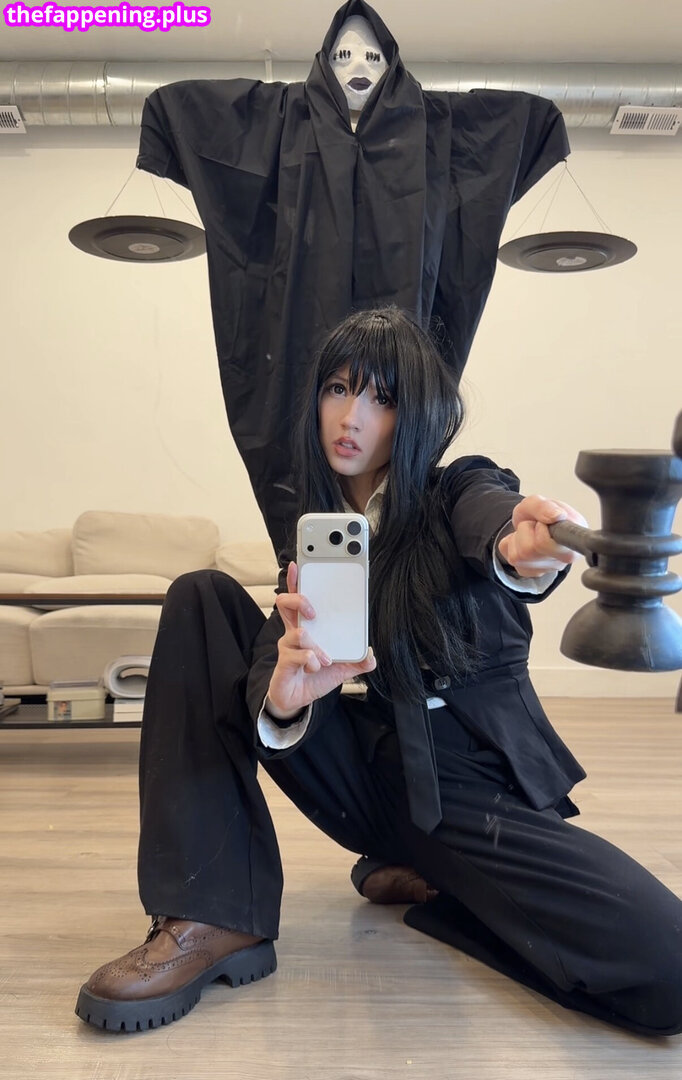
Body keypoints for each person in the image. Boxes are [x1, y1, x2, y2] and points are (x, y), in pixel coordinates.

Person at [76, 308, 682, 1036]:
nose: (351, 416)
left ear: (414, 414)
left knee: (669, 968)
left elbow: (495, 522)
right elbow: (272, 666)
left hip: (466, 791)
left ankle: (436, 881)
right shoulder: (320, 543)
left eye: (382, 397)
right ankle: (210, 916)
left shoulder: (458, 492)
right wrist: (284, 700)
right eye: (338, 388)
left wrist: (519, 547)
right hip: (365, 783)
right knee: (199, 598)